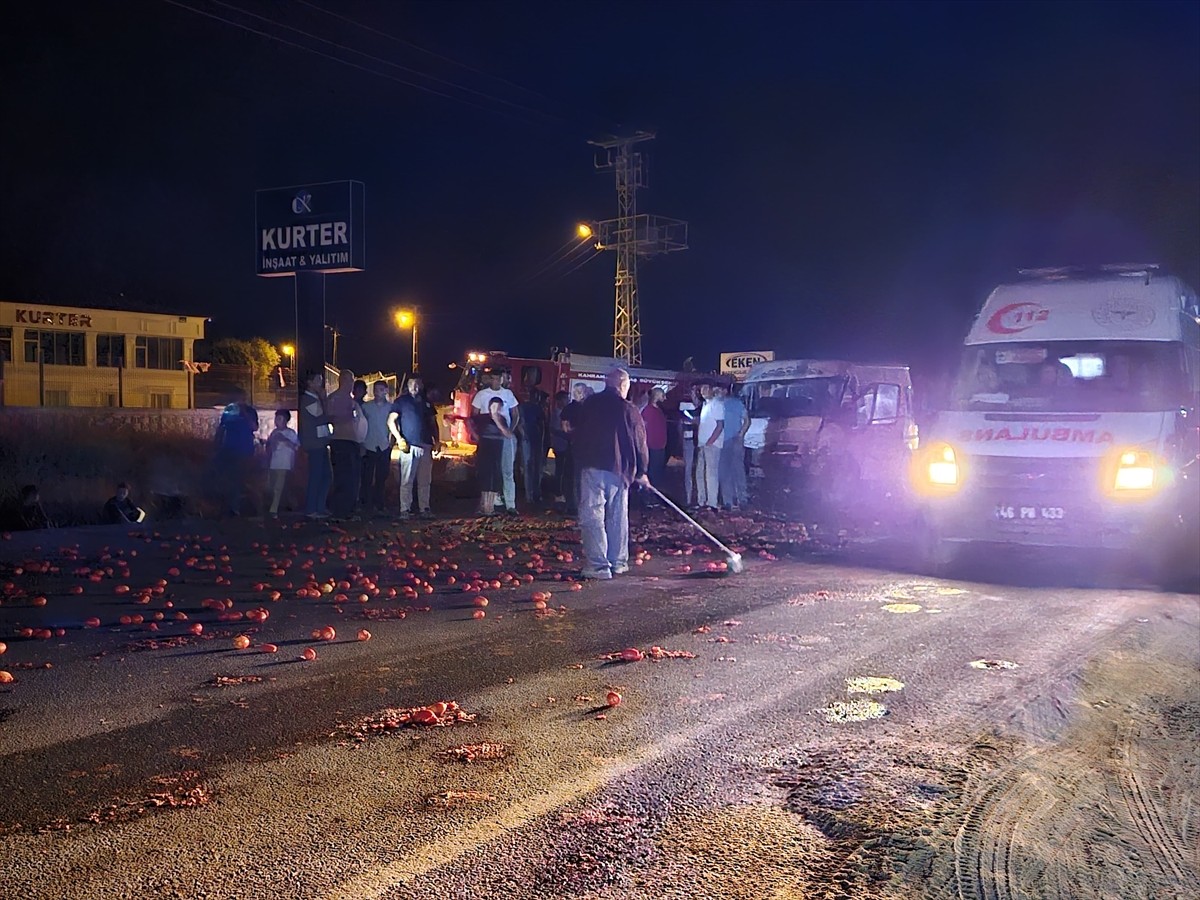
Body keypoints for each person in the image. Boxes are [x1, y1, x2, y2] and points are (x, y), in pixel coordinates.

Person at [572, 368, 650, 580]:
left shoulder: (589, 404)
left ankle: (598, 565)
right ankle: (618, 562)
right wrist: (642, 470)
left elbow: (577, 432)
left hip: (592, 464)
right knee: (617, 515)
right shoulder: (628, 409)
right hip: (619, 469)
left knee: (593, 514)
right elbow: (639, 441)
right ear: (623, 385)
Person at [388, 375, 439, 519]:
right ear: (408, 386)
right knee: (406, 480)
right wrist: (399, 439)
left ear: (421, 385)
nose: (414, 387)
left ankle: (425, 508)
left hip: (426, 446)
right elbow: (391, 421)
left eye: (417, 384)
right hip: (409, 446)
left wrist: (437, 441)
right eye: (412, 384)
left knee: (425, 481)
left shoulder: (426, 403)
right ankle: (405, 509)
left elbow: (433, 423)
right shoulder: (401, 402)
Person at [471, 371, 519, 514]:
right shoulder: (481, 395)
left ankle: (511, 505)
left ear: (503, 379)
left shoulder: (508, 394)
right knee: (488, 471)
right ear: (490, 380)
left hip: (504, 436)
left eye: (499, 378)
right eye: (494, 378)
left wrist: (510, 430)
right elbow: (473, 416)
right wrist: (477, 434)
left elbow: (515, 413)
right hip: (488, 438)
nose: (497, 381)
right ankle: (487, 505)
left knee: (507, 470)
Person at [326, 368, 363, 521]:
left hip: (352, 441)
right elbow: (329, 417)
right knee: (344, 477)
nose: (352, 383)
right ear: (343, 381)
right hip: (341, 442)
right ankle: (341, 512)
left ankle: (348, 510)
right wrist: (347, 416)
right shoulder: (335, 398)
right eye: (350, 380)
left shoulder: (351, 400)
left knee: (352, 478)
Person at [213, 394, 258, 516]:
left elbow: (254, 427)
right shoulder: (229, 411)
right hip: (227, 449)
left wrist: (244, 413)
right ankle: (225, 505)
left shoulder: (249, 411)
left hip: (243, 450)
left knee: (237, 479)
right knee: (225, 477)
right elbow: (222, 427)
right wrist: (216, 443)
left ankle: (235, 507)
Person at [298, 370, 333, 519]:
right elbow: (323, 416)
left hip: (321, 442)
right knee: (317, 476)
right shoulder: (308, 400)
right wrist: (324, 399)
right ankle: (311, 509)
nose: (321, 384)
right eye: (318, 381)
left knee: (326, 476)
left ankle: (319, 507)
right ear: (310, 383)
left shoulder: (314, 399)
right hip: (314, 444)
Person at [359, 380, 394, 515]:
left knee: (381, 477)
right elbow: (361, 426)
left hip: (384, 446)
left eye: (380, 389)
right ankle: (366, 504)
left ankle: (379, 504)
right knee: (366, 477)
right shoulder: (366, 407)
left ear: (386, 391)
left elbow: (395, 426)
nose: (377, 392)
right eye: (375, 389)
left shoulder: (391, 407)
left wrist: (391, 442)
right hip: (369, 445)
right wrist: (361, 443)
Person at [473, 396, 511, 516]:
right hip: (485, 448)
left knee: (494, 478)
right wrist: (475, 435)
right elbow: (468, 421)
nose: (495, 409)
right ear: (489, 407)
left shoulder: (502, 419)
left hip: (496, 449)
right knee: (485, 476)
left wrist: (497, 420)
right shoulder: (483, 418)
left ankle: (490, 507)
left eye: (498, 407)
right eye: (493, 406)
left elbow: (508, 434)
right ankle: (484, 506)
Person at [559, 382, 593, 515]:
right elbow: (565, 426)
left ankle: (577, 504)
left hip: (581, 446)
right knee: (575, 476)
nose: (579, 394)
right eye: (577, 392)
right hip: (576, 446)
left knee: (578, 476)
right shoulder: (574, 408)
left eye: (580, 392)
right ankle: (574, 504)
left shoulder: (588, 408)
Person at [716, 383, 749, 509]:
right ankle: (728, 501)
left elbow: (747, 420)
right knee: (726, 472)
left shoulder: (735, 403)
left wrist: (740, 434)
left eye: (719, 389)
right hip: (723, 441)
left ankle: (741, 499)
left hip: (733, 440)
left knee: (736, 470)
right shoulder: (718, 404)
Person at [264, 410, 300, 518]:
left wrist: (284, 440)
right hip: (273, 463)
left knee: (278, 487)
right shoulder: (274, 433)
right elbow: (269, 447)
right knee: (271, 486)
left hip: (284, 464)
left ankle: (273, 510)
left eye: (279, 419)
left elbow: (296, 447)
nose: (276, 421)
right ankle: (290, 504)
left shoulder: (291, 433)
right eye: (276, 419)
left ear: (285, 420)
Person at [695, 381, 724, 510]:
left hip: (712, 445)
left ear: (712, 390)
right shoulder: (705, 405)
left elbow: (719, 426)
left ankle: (712, 503)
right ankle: (702, 501)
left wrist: (710, 441)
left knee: (711, 473)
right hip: (702, 444)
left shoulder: (717, 404)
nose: (703, 391)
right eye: (701, 389)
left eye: (706, 388)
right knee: (700, 472)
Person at [518, 384, 548, 505]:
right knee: (535, 468)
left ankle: (530, 495)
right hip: (534, 439)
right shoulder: (537, 408)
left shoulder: (523, 407)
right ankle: (533, 494)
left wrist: (523, 435)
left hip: (530, 439)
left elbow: (519, 423)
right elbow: (542, 425)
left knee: (529, 467)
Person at [641, 386, 668, 497]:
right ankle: (648, 497)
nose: (665, 398)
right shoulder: (648, 411)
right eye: (662, 395)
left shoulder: (657, 410)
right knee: (652, 473)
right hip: (652, 447)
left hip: (659, 446)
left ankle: (653, 496)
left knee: (656, 473)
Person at [677, 384, 700, 507]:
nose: (694, 393)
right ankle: (689, 498)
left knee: (699, 470)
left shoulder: (703, 405)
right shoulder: (684, 404)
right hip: (689, 441)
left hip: (700, 441)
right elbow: (682, 423)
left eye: (695, 391)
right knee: (689, 470)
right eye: (692, 391)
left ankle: (698, 498)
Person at [549, 390, 571, 506]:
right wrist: (568, 435)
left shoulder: (562, 412)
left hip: (563, 444)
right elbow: (554, 430)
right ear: (560, 401)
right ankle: (558, 493)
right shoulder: (557, 414)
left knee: (562, 469)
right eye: (566, 399)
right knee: (560, 470)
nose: (568, 401)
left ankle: (560, 492)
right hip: (560, 445)